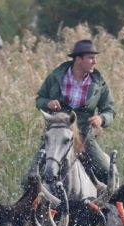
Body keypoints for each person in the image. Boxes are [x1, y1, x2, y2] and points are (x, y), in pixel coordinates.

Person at [27, 39, 116, 186]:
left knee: (107, 172)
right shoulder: (55, 77)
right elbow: (39, 99)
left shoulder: (99, 84)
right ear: (78, 59)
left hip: (84, 137)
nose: (94, 62)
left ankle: (107, 206)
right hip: (57, 135)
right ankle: (32, 207)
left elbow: (110, 110)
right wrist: (47, 103)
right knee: (29, 179)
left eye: (95, 58)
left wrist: (101, 118)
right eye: (91, 58)